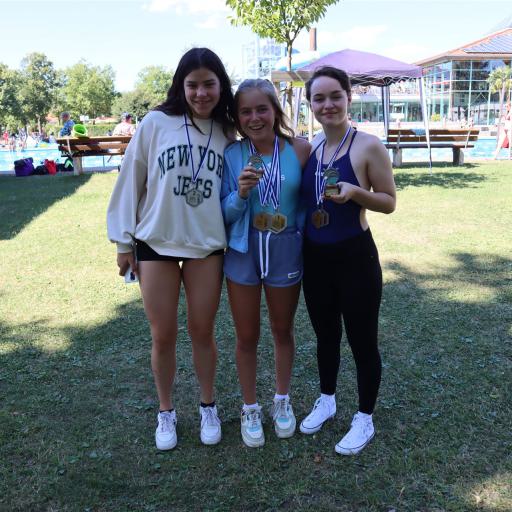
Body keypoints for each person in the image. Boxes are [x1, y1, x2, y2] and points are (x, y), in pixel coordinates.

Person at [107, 48, 236, 451]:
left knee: (202, 331)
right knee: (163, 335)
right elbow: (131, 180)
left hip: (206, 245)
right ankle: (166, 411)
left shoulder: (227, 130)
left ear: (221, 86)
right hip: (155, 241)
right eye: (193, 84)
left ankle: (208, 405)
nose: (201, 93)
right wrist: (123, 241)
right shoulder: (155, 123)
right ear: (181, 86)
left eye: (209, 84)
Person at [299, 67, 396, 455]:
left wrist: (356, 192)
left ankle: (364, 417)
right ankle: (327, 400)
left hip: (355, 257)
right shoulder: (312, 147)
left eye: (335, 96)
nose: (328, 105)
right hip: (315, 257)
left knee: (362, 340)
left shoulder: (368, 146)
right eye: (319, 98)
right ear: (310, 104)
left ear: (349, 97)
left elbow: (389, 202)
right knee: (325, 336)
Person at [221, 79, 310, 447]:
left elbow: (310, 201)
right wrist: (241, 194)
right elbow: (223, 214)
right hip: (243, 248)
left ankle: (282, 400)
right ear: (238, 118)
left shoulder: (300, 150)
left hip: (285, 247)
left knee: (282, 329)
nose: (254, 117)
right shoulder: (232, 155)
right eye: (246, 111)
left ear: (275, 110)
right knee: (246, 336)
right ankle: (250, 407)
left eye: (262, 109)